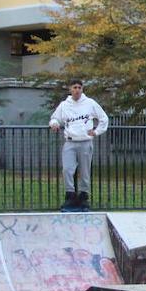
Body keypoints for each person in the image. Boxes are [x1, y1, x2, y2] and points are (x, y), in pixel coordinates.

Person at [49, 80, 109, 212]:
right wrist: (54, 123)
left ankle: (83, 197)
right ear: (70, 89)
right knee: (67, 169)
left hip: (85, 142)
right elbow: (54, 118)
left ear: (82, 89)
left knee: (85, 171)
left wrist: (96, 131)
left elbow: (104, 118)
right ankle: (70, 195)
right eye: (74, 87)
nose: (77, 90)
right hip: (70, 142)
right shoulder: (64, 105)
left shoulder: (90, 103)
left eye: (79, 87)